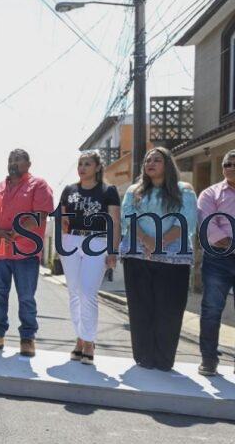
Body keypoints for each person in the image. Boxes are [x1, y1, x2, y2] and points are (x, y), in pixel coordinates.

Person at [120, 147, 197, 371]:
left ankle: (164, 360)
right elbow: (128, 217)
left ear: (168, 164)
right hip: (138, 256)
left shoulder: (184, 190)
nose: (150, 163)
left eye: (157, 160)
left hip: (173, 260)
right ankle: (144, 357)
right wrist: (146, 240)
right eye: (147, 160)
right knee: (140, 308)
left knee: (169, 310)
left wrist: (160, 242)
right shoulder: (134, 191)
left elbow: (188, 221)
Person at [0, 149, 54, 357]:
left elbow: (40, 215)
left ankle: (27, 338)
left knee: (26, 297)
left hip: (26, 251)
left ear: (28, 164)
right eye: (11, 159)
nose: (13, 163)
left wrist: (17, 231)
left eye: (18, 159)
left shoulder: (38, 185)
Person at [58, 151, 121, 365]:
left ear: (97, 167)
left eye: (87, 164)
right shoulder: (69, 190)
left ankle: (88, 342)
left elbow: (114, 221)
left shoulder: (108, 191)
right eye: (80, 164)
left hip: (97, 242)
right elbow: (63, 219)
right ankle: (80, 338)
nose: (82, 167)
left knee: (88, 292)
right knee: (74, 293)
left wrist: (113, 250)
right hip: (72, 241)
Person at [196, 149, 235, 376]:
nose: (230, 167)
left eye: (234, 163)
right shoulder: (210, 194)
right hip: (218, 259)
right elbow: (208, 226)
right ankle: (209, 359)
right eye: (227, 164)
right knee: (211, 310)